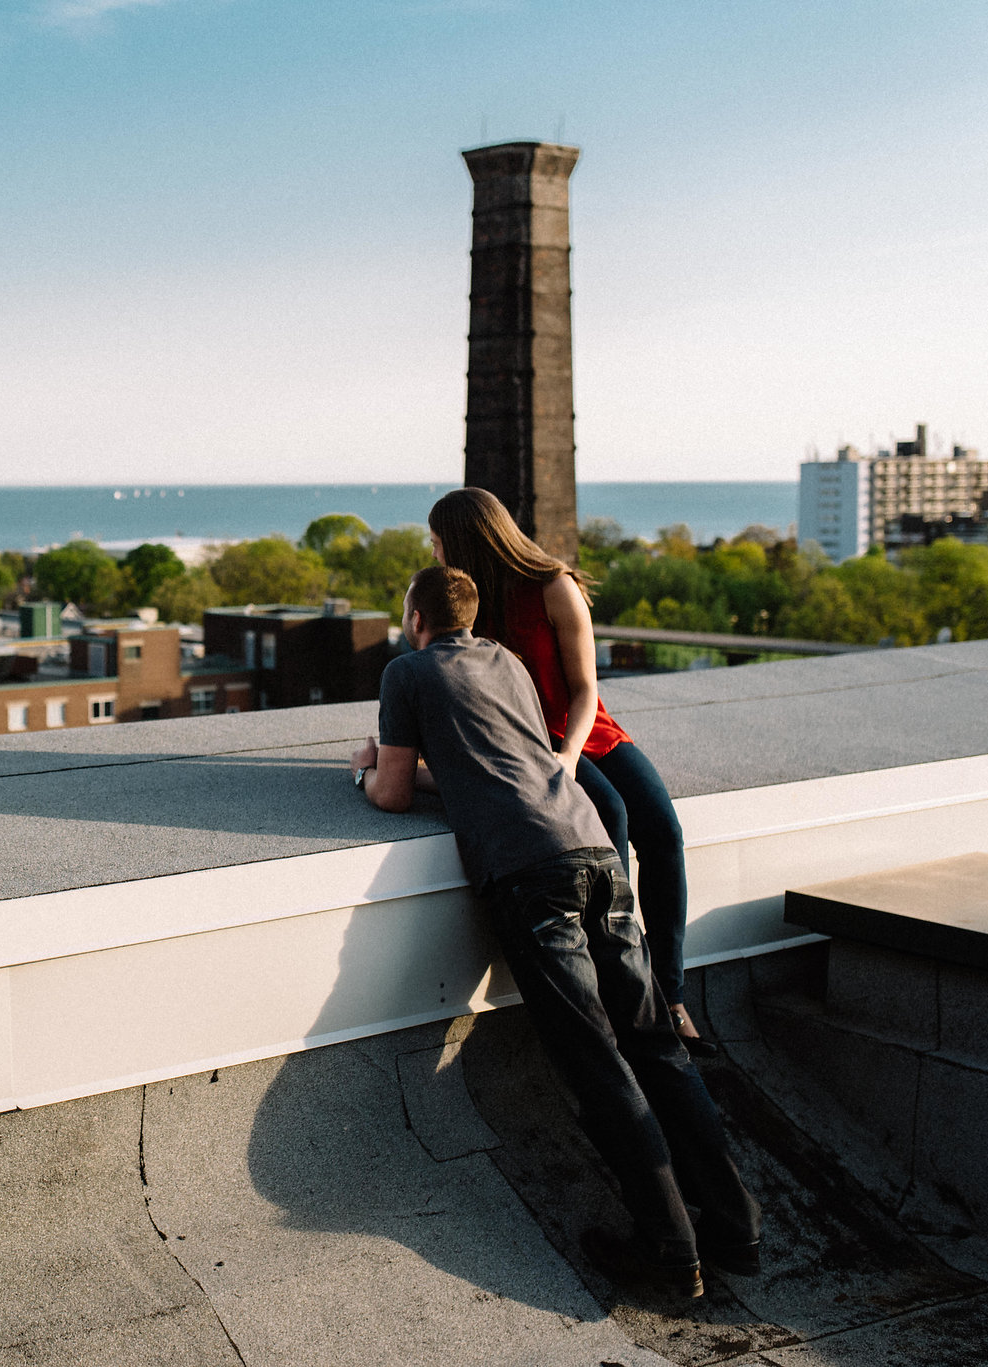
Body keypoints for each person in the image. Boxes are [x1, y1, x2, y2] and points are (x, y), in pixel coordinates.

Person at [353, 565, 760, 1296]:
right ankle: (736, 1225)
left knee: (596, 1059)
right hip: (595, 846)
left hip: (528, 872)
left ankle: (670, 1252)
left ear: (414, 618)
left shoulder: (406, 672)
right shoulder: (505, 661)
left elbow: (389, 791)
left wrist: (368, 770)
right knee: (656, 1046)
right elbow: (501, 762)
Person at [427, 488, 713, 1056]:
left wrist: (569, 756)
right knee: (611, 817)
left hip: (586, 730)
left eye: (437, 542)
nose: (434, 553)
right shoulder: (470, 603)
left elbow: (585, 690)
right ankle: (630, 988)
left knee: (664, 830)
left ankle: (671, 992)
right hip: (527, 742)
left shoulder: (555, 587)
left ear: (464, 539)